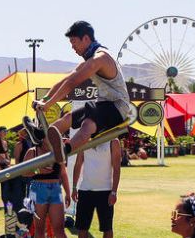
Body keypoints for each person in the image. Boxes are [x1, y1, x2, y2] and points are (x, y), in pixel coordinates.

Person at [30, 21, 133, 165]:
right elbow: (66, 79)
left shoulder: (99, 59)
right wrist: (45, 99)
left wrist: (48, 104)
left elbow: (73, 83)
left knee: (88, 124)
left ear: (85, 38)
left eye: (74, 42)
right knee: (69, 118)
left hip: (118, 107)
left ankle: (65, 149)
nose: (72, 47)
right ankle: (40, 134)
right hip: (103, 104)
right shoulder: (89, 60)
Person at [71, 136, 122, 238]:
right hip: (85, 190)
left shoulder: (113, 141)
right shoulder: (84, 139)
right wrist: (75, 187)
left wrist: (114, 191)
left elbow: (117, 167)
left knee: (107, 228)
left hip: (105, 191)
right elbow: (78, 164)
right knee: (82, 228)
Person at [24, 131, 71, 238]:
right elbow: (23, 172)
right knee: (39, 227)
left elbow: (63, 172)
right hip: (38, 189)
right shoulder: (32, 152)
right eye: (48, 136)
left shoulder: (58, 151)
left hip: (55, 188)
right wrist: (38, 171)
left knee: (59, 227)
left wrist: (68, 193)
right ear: (41, 139)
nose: (52, 139)